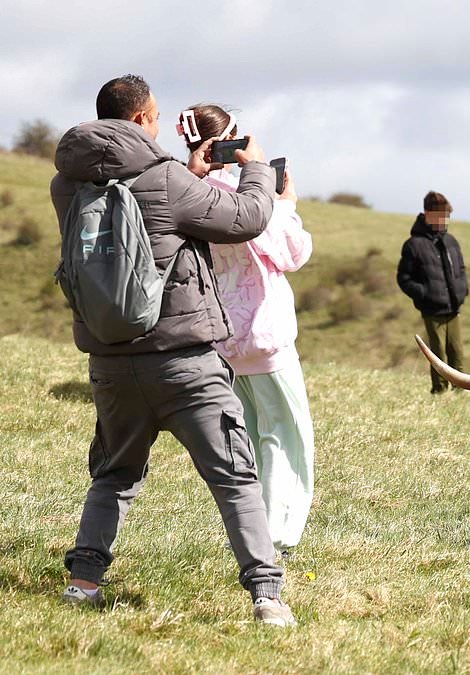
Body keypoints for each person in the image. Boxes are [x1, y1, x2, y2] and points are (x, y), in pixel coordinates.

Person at [49, 75, 295, 626]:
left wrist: (189, 174)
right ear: (140, 120)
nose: (159, 126)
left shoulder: (66, 185)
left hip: (110, 361)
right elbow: (246, 219)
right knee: (234, 475)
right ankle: (267, 596)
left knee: (114, 475)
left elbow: (142, 214)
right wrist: (254, 167)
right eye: (155, 117)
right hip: (184, 360)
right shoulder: (165, 178)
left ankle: (84, 583)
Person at [179, 104, 315, 556]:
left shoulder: (188, 194)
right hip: (265, 331)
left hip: (219, 335)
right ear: (236, 140)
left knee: (249, 438)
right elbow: (292, 254)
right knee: (286, 435)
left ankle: (248, 526)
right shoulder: (248, 196)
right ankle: (277, 534)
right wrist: (286, 204)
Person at [396, 191, 469, 393]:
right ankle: (440, 391)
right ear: (428, 214)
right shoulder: (413, 245)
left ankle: (460, 390)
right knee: (437, 353)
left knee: (457, 351)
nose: (445, 220)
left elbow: (461, 270)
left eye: (447, 216)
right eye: (442, 215)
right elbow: (404, 278)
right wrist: (425, 294)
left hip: (453, 308)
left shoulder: (451, 242)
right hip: (431, 310)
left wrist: (463, 291)